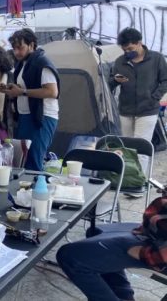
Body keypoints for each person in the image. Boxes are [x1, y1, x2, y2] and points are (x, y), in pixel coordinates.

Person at [57, 185, 167, 301]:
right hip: (152, 233)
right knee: (95, 232)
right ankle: (124, 296)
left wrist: (144, 253)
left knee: (71, 257)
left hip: (157, 252)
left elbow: (161, 257)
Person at [0, 28, 60, 171]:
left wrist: (22, 91)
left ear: (31, 45)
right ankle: (25, 190)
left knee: (33, 159)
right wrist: (11, 89)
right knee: (22, 159)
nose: (17, 52)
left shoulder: (41, 63)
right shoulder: (23, 64)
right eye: (14, 48)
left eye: (20, 48)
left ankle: (37, 190)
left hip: (42, 117)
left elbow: (52, 91)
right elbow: (24, 88)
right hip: (27, 116)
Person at [109, 27, 167, 179]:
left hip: (148, 110)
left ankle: (139, 181)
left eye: (130, 48)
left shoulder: (157, 58)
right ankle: (128, 178)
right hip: (125, 109)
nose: (127, 52)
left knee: (141, 146)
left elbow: (165, 80)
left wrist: (154, 97)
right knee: (127, 147)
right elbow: (108, 83)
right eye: (124, 50)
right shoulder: (120, 61)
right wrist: (115, 80)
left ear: (139, 43)